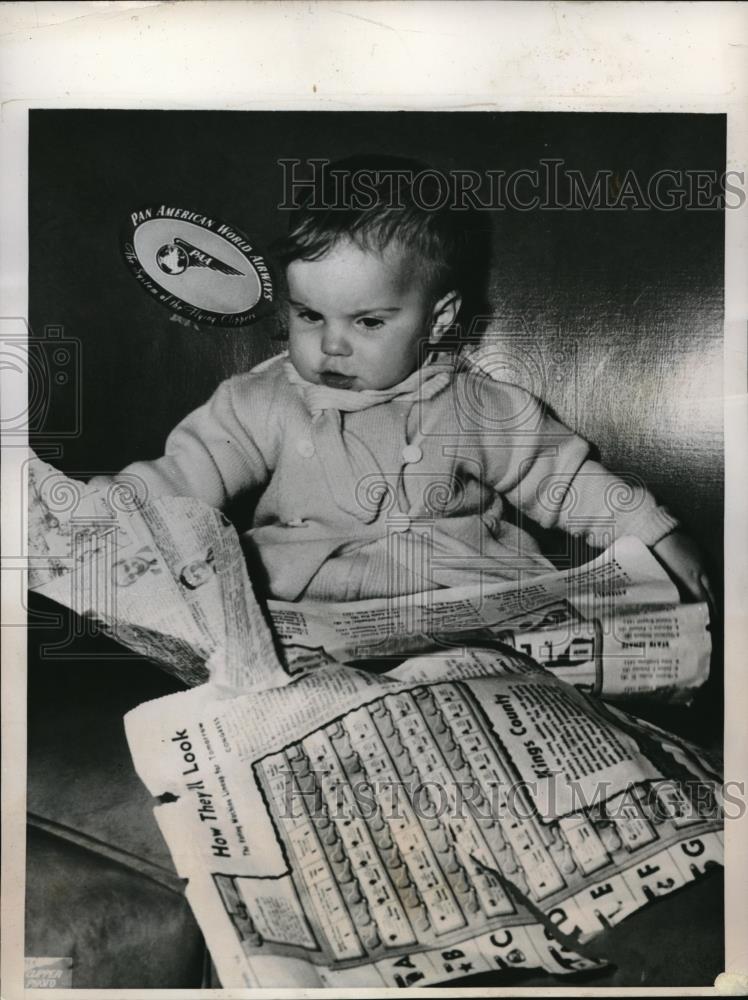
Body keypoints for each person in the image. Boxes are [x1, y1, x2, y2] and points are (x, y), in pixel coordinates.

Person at [102, 156, 712, 608]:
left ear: (438, 318)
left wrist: (654, 534)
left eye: (367, 321)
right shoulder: (261, 401)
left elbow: (564, 478)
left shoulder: (478, 407)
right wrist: (100, 519)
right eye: (308, 315)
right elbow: (183, 474)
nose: (331, 343)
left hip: (464, 595)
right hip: (312, 601)